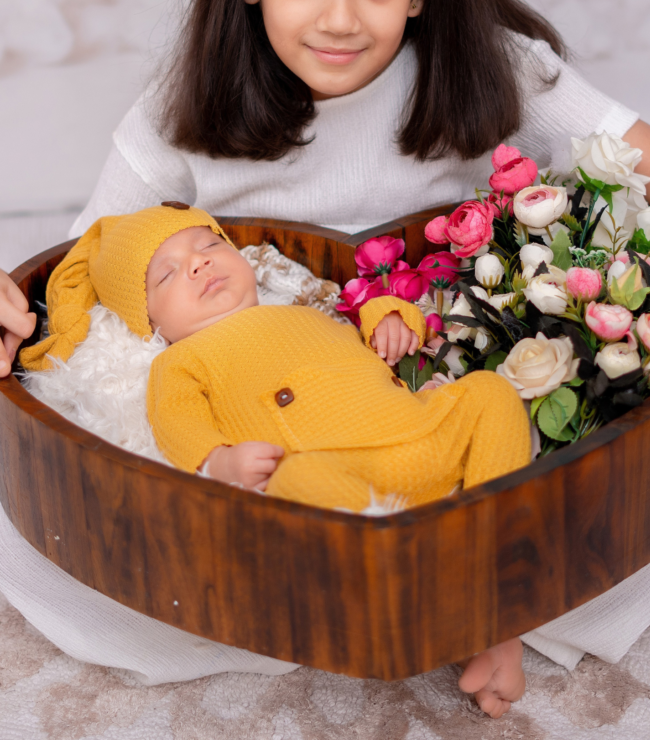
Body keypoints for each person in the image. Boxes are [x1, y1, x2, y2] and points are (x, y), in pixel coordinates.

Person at [0, 0, 650, 693]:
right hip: (289, 434)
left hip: (429, 401)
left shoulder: (499, 69)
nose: (340, 18)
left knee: (618, 494)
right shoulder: (179, 109)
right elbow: (81, 264)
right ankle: (385, 591)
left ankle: (482, 593)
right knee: (77, 537)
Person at [20, 204, 532, 512]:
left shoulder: (302, 307)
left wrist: (393, 320)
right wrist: (217, 461)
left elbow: (362, 330)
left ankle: (490, 537)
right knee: (292, 483)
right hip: (338, 470)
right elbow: (175, 419)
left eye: (207, 246)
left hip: (419, 433)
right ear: (149, 323)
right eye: (168, 275)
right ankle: (407, 568)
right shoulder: (179, 361)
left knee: (490, 393)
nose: (198, 264)